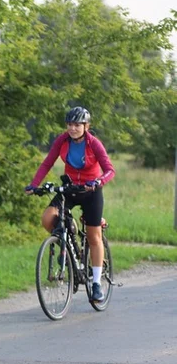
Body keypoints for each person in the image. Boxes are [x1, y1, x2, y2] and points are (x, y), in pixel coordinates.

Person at [25, 106, 115, 302]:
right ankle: (67, 241)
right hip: (70, 188)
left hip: (91, 191)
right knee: (48, 218)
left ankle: (97, 283)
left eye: (77, 125)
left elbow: (110, 170)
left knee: (94, 236)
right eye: (69, 125)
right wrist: (34, 185)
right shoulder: (62, 140)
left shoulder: (94, 144)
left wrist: (98, 181)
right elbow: (47, 163)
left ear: (86, 126)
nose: (72, 128)